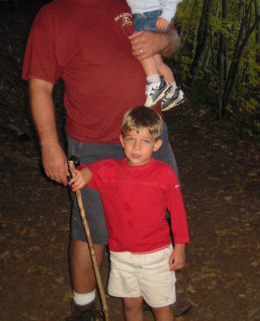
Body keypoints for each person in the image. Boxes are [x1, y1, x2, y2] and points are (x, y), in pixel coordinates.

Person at [22, 0, 191, 320]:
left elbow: (174, 38)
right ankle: (83, 310)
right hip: (93, 144)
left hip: (150, 138)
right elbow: (40, 87)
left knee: (158, 222)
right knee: (93, 233)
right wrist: (50, 146)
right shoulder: (51, 18)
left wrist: (161, 43)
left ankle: (158, 299)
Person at [70, 106, 190, 321]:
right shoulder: (110, 170)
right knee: (131, 304)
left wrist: (179, 247)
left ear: (157, 145)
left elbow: (178, 212)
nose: (136, 146)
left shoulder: (164, 174)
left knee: (160, 306)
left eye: (145, 141)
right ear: (121, 140)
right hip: (122, 255)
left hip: (156, 255)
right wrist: (82, 173)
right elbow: (88, 172)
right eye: (131, 138)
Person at [125, 0, 185, 111]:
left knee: (142, 49)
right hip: (145, 16)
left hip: (151, 17)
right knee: (158, 62)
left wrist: (166, 15)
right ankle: (174, 90)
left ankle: (154, 84)